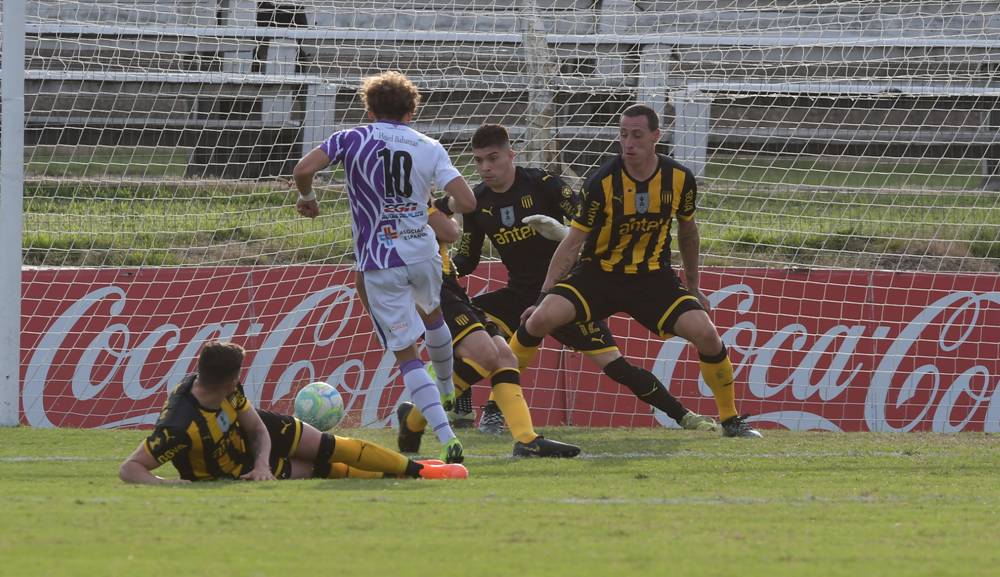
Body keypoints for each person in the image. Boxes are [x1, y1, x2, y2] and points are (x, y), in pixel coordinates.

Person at [507, 106, 762, 438]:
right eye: (623, 134)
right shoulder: (601, 182)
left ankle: (730, 420)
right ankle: (499, 408)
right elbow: (572, 243)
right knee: (538, 320)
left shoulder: (679, 179)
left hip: (653, 278)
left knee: (707, 333)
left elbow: (688, 232)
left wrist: (694, 285)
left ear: (656, 136)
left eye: (637, 135)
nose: (628, 142)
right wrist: (542, 297)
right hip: (599, 275)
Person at [449, 123, 719, 434]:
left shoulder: (544, 184)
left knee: (617, 368)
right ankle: (473, 412)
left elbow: (588, 229)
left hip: (564, 294)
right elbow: (468, 258)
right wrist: (441, 269)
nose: (485, 167)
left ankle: (684, 416)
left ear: (512, 154)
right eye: (479, 160)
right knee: (462, 326)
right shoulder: (476, 201)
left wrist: (561, 232)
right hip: (518, 294)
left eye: (493, 158)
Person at [292, 71, 476, 463]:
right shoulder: (429, 145)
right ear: (412, 110)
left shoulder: (351, 138)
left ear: (370, 109)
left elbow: (303, 169)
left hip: (379, 261)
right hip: (423, 254)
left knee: (407, 354)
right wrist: (441, 206)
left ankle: (445, 437)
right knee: (434, 314)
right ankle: (446, 385)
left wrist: (307, 197)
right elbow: (468, 200)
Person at [119, 341, 469, 484]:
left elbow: (256, 428)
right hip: (234, 468)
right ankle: (417, 472)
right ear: (228, 381)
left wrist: (261, 461)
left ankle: (421, 472)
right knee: (326, 471)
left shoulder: (224, 388)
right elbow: (130, 469)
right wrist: (172, 486)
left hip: (257, 444)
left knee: (334, 445)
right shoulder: (180, 427)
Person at [396, 207, 581, 458]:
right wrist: (449, 200)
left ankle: (527, 440)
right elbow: (453, 229)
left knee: (505, 358)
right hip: (429, 287)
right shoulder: (407, 199)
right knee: (485, 355)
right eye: (479, 163)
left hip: (449, 286)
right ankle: (415, 419)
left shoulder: (414, 195)